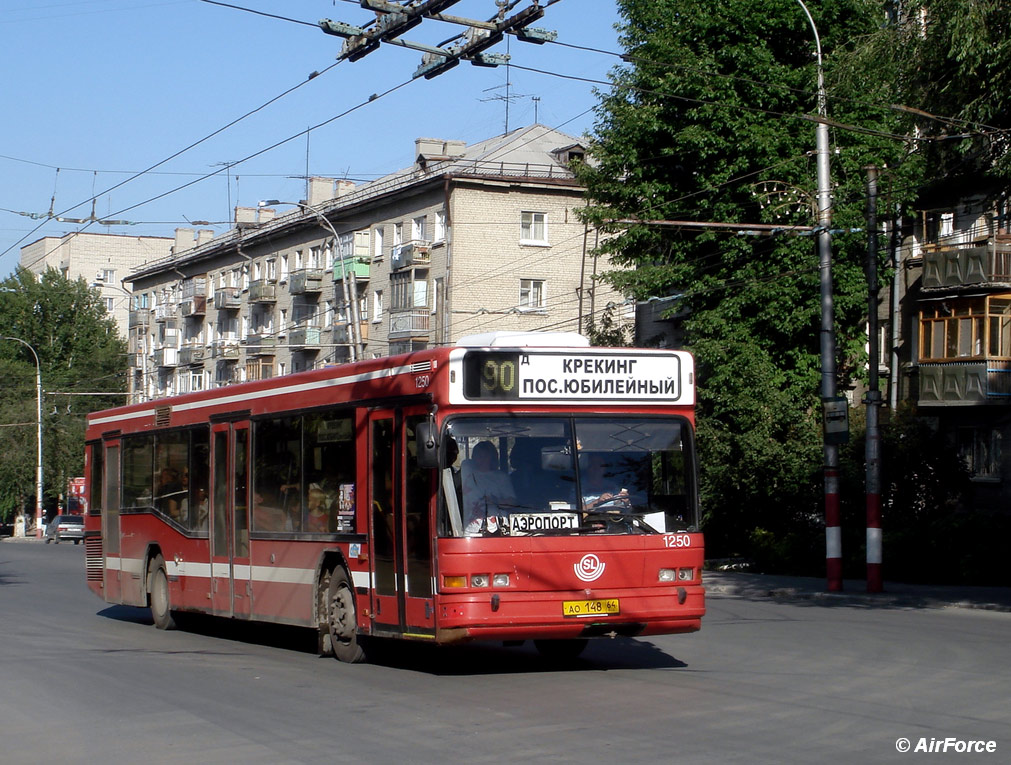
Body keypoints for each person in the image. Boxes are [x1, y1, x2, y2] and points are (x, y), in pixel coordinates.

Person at [461, 441, 516, 533]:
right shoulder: (466, 475)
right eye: (478, 456)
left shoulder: (500, 477)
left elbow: (513, 502)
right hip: (469, 529)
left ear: (492, 458)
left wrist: (494, 501)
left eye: (485, 456)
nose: (481, 459)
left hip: (497, 529)